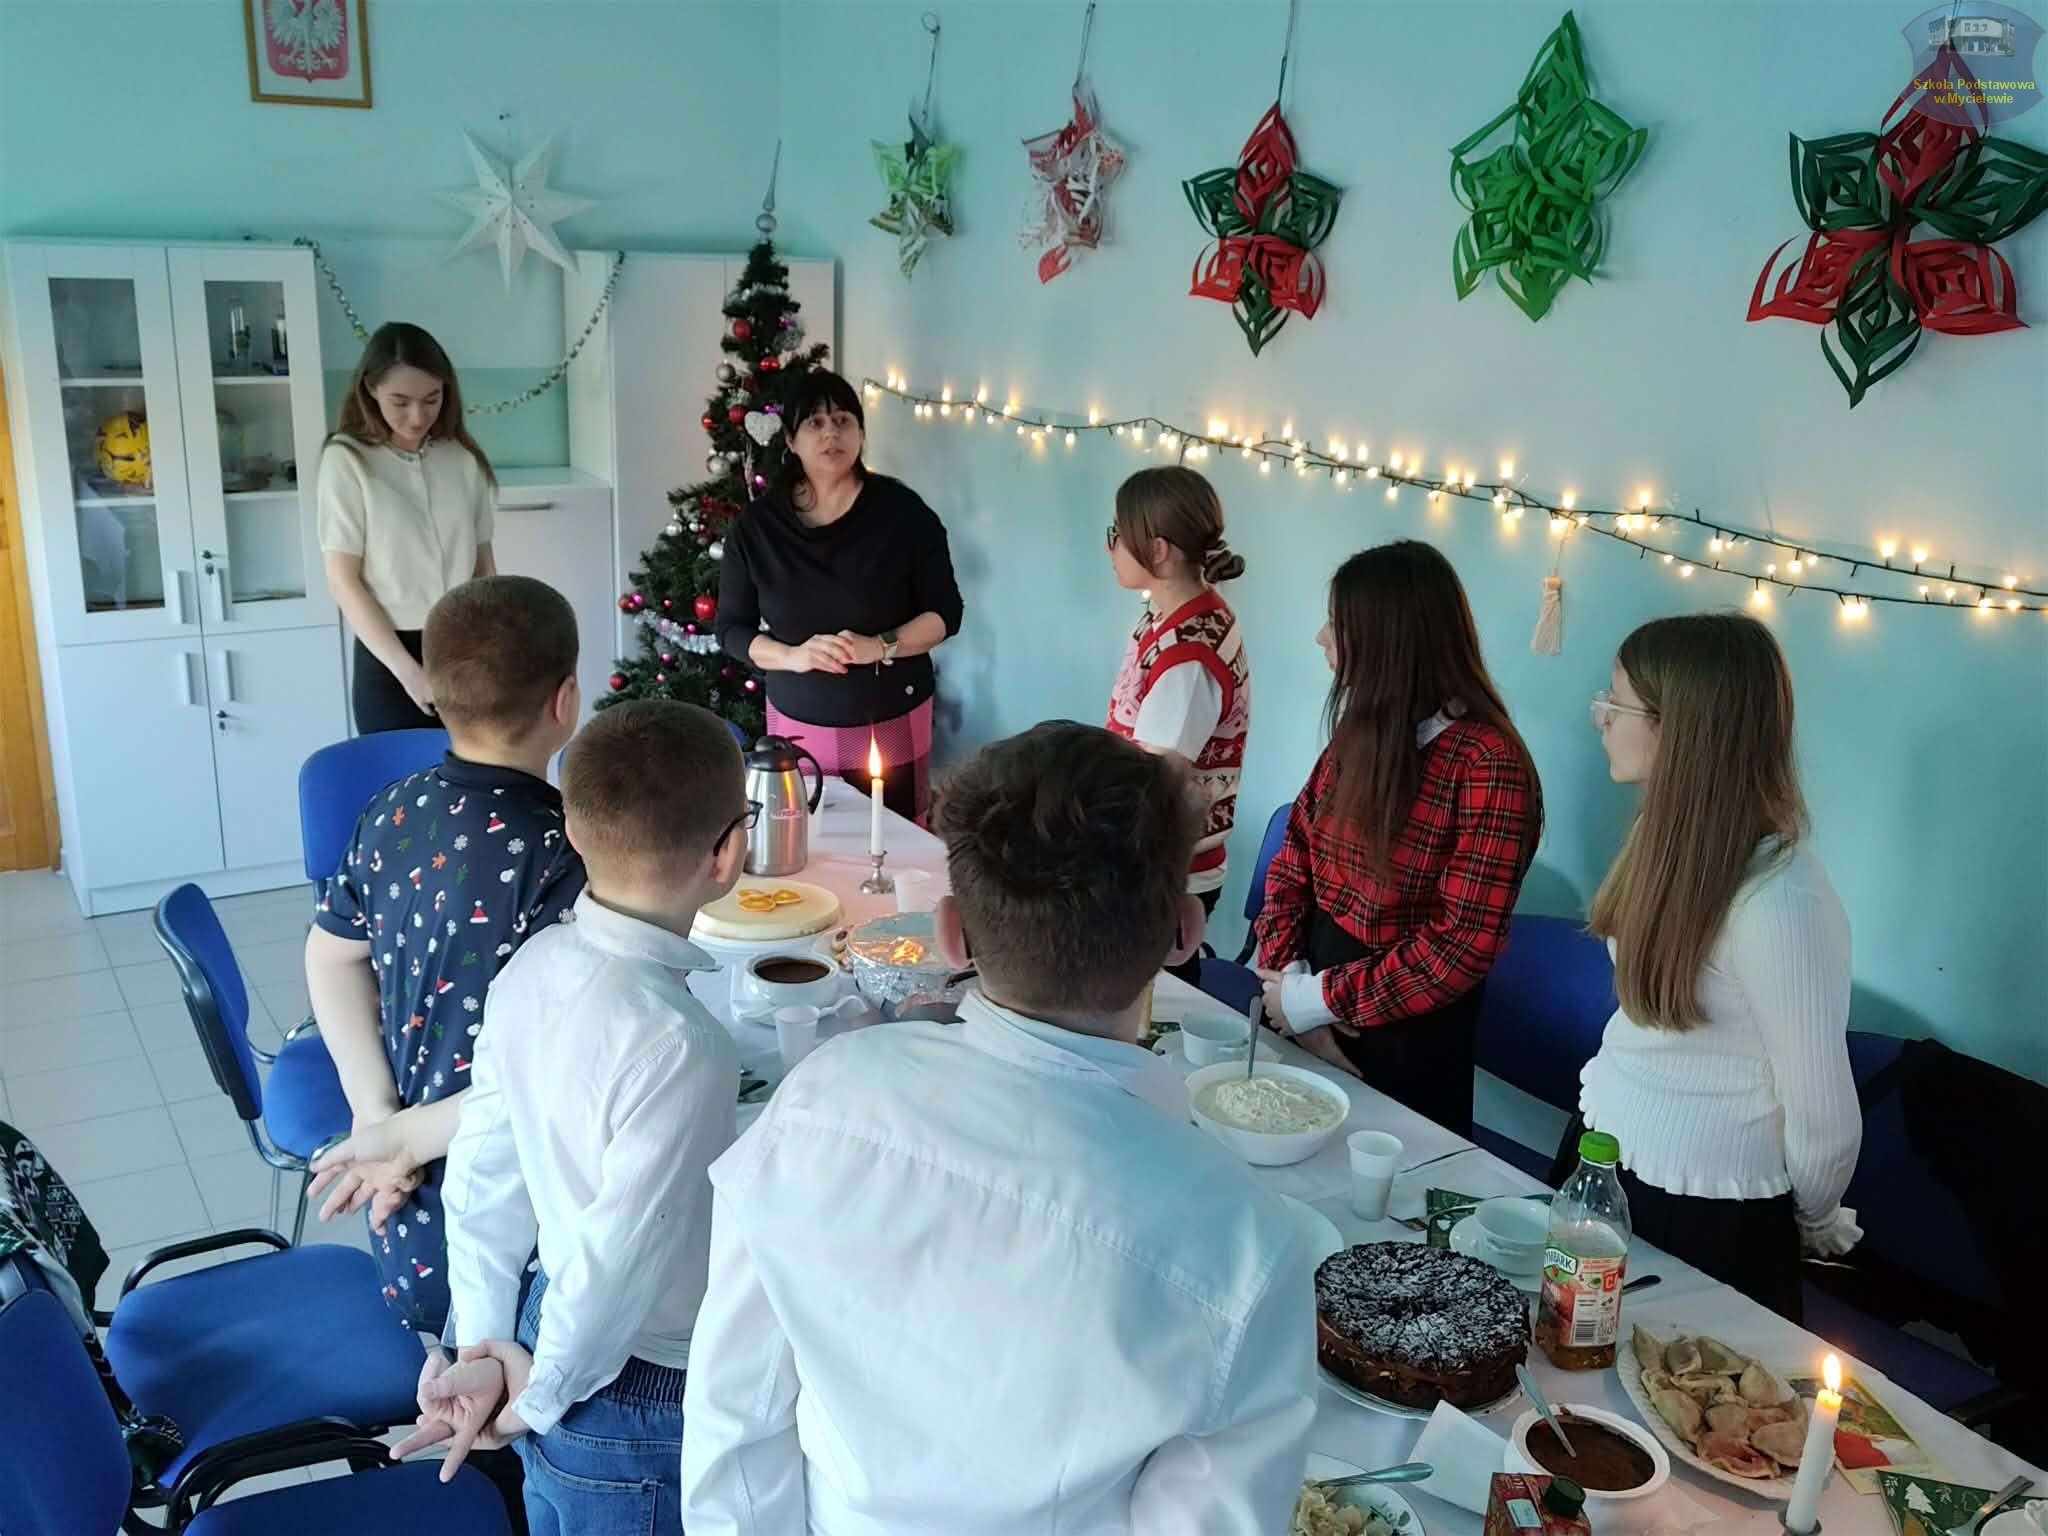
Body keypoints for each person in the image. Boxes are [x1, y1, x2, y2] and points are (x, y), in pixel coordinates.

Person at [680, 723, 1317, 1534]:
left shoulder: (818, 1101)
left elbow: (737, 1420)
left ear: (951, 935)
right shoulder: (1246, 1244)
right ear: (1186, 933)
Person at [394, 701, 747, 1533]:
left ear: (575, 833)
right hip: (627, 1385)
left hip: (546, 1330)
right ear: (728, 854)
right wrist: (536, 1397)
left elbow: (485, 1167)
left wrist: (486, 1342)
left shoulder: (534, 963)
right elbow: (619, 1259)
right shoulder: (684, 1046)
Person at [302, 575, 584, 1334]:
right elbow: (557, 1069)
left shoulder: (390, 810)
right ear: (565, 702)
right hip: (514, 1245)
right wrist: (398, 1138)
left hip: (404, 1223)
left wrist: (377, 1118)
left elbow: (329, 958)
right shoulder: (564, 851)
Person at [1564, 611, 1858, 1320]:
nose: (1600, 718)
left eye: (1616, 703)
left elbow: (1823, 1117)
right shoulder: (1665, 837)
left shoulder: (1781, 897)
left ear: (1680, 729)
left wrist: (1815, 1221)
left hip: (1709, 1210)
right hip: (1605, 1155)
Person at [1255, 541, 1542, 1138]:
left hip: (1403, 1031)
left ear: (1388, 640)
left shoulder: (1489, 764)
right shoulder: (1363, 731)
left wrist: (1318, 1002)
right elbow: (1293, 859)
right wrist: (1289, 982)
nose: (1321, 638)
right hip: (1304, 993)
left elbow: (1460, 946)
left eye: (1336, 623)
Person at [714, 369, 963, 821]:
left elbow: (945, 613)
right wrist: (793, 656)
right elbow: (731, 629)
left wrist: (881, 646)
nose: (831, 433)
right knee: (806, 839)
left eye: (843, 420)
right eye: (815, 423)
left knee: (897, 836)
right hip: (798, 720)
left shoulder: (904, 513)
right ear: (791, 441)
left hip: (893, 715)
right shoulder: (758, 527)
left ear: (860, 434)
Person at [1103, 465, 1250, 987]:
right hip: (1149, 860)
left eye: (1117, 533)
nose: (1110, 547)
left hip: (1165, 872)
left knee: (1152, 1005)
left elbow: (1154, 781)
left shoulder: (1190, 656)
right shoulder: (1170, 615)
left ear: (1159, 551)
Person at [319, 322, 498, 735]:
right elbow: (343, 581)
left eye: (431, 399)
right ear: (371, 389)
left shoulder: (461, 459)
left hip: (462, 649)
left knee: (471, 771)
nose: (417, 417)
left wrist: (487, 647)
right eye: (400, 401)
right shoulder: (347, 460)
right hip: (389, 658)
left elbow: (484, 567)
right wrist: (409, 673)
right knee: (401, 774)